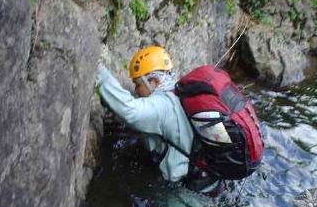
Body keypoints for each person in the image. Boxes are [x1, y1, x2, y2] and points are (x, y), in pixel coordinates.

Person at [96, 46, 233, 196]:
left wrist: (98, 72)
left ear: (153, 81)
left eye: (138, 84)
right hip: (210, 179)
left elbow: (129, 111)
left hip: (191, 192)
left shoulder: (162, 107)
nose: (135, 90)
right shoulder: (179, 91)